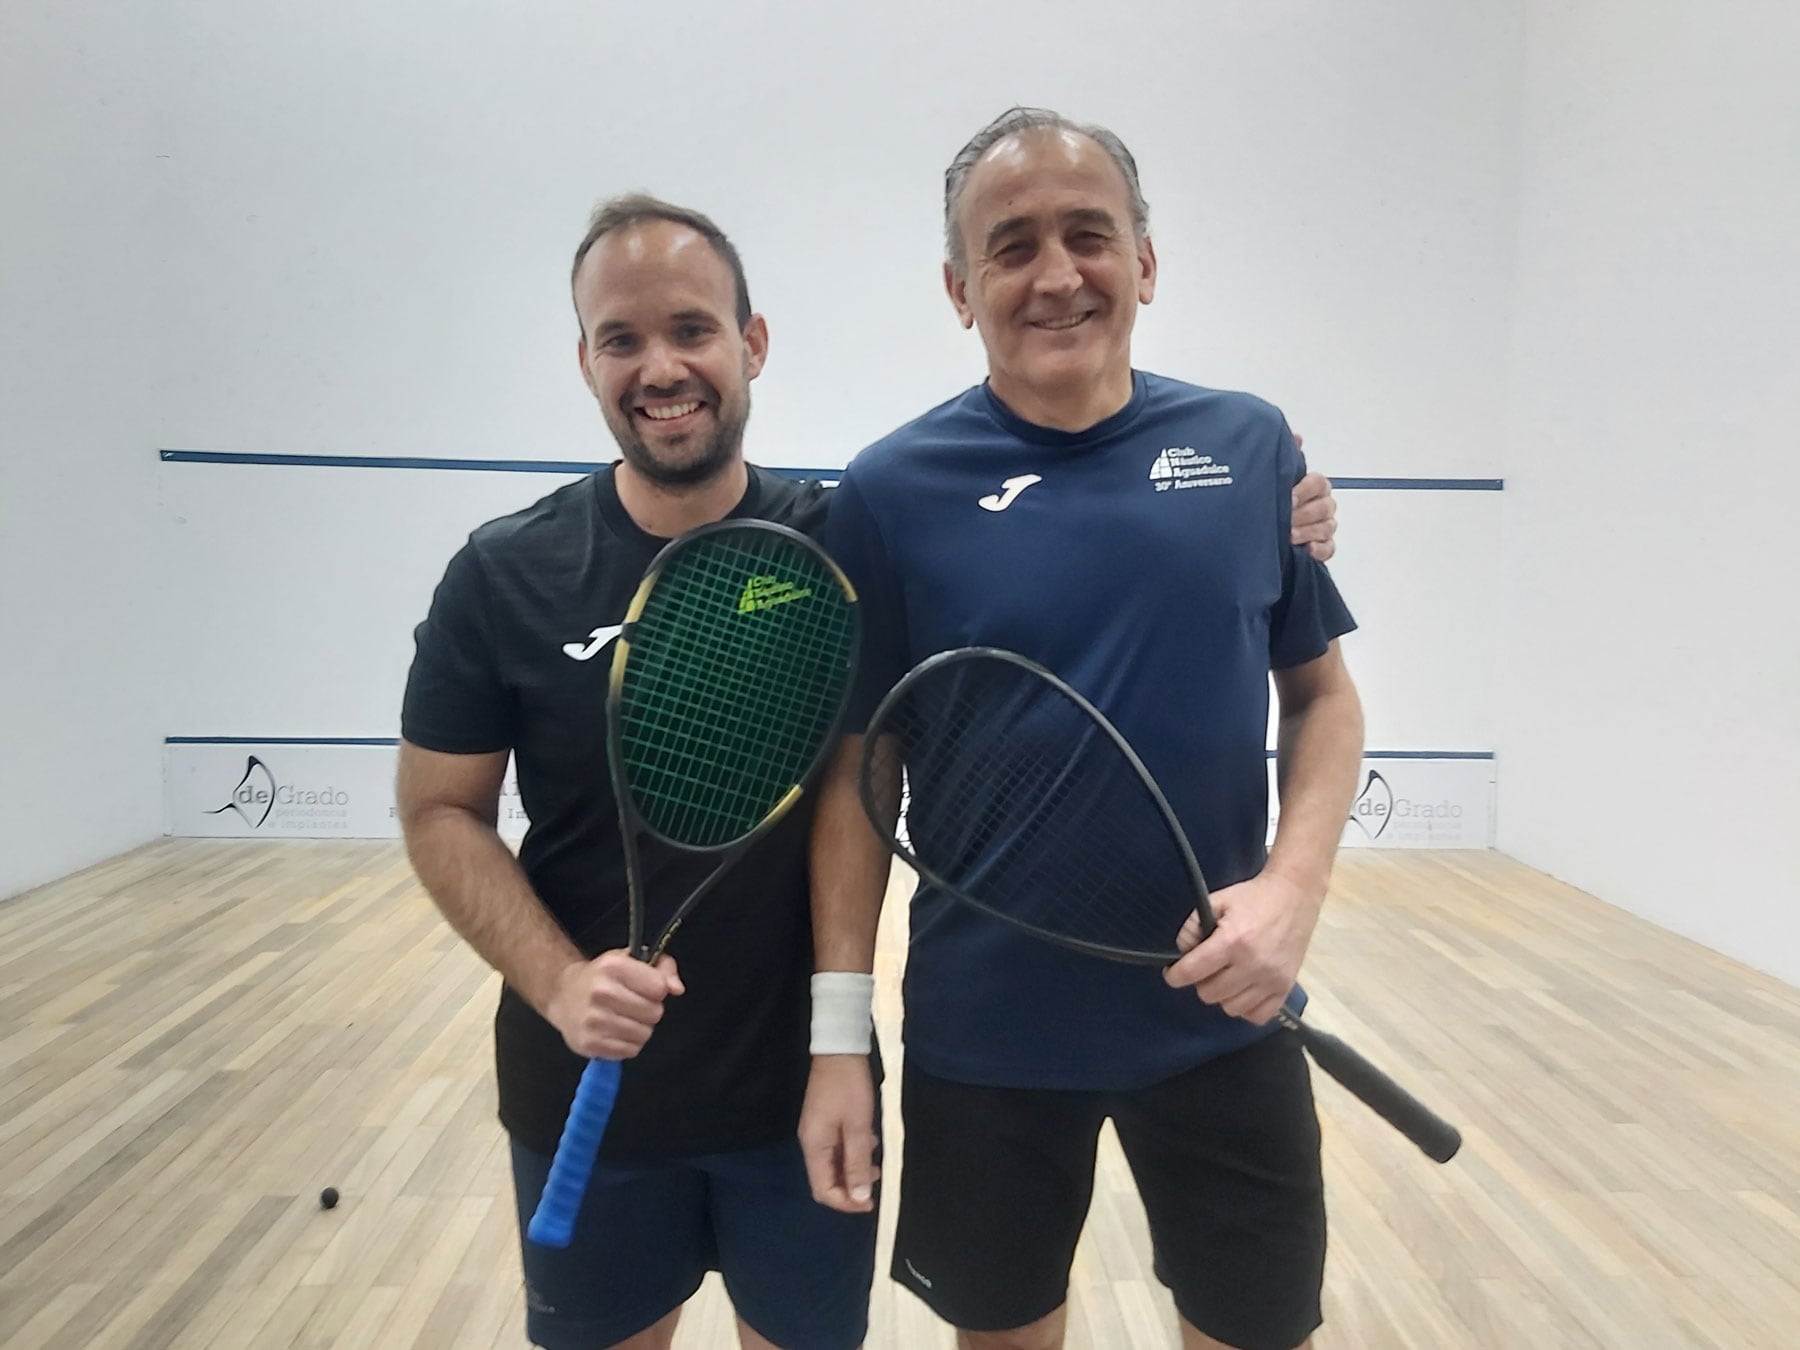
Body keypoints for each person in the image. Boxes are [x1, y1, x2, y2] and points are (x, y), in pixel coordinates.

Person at [397, 189, 1340, 1349]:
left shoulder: (846, 528)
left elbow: (1301, 683)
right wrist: (554, 981)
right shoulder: (514, 572)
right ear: (584, 359)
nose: (661, 366)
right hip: (624, 1084)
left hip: (815, 1089)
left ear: (752, 344)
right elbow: (444, 809)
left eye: (692, 329)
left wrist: (1282, 499)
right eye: (622, 339)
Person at [800, 108, 1365, 1350]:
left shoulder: (1249, 446)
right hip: (987, 1037)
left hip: (1227, 1018)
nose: (1056, 275)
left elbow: (1321, 696)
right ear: (961, 289)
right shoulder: (890, 492)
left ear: (1146, 263)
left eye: (1088, 235)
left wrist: (1292, 891)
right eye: (1012, 247)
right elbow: (861, 773)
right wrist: (838, 1033)